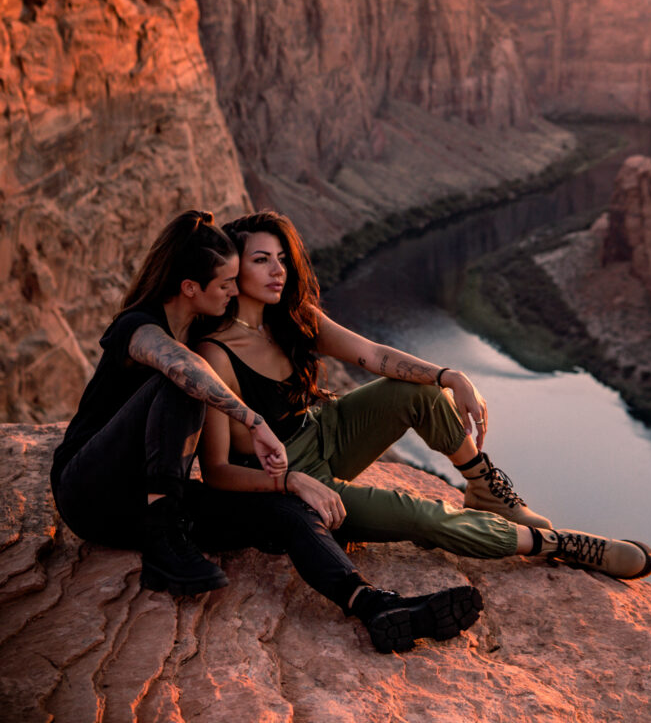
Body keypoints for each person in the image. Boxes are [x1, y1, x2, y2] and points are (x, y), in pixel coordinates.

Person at [50, 210, 484, 654]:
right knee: (180, 381)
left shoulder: (205, 326)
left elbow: (363, 353)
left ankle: (375, 606)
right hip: (89, 491)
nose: (235, 291)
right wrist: (252, 420)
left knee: (285, 509)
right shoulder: (136, 326)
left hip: (150, 503)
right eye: (225, 285)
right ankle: (164, 546)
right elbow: (181, 367)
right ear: (189, 288)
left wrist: (291, 479)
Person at [196, 210, 651, 580]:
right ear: (234, 271)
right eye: (261, 260)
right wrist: (292, 482)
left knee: (415, 390)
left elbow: (372, 354)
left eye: (281, 258)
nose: (279, 270)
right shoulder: (216, 355)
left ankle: (484, 487)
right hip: (292, 477)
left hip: (327, 432)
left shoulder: (293, 318)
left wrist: (449, 374)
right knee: (423, 517)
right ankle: (562, 546)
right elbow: (216, 472)